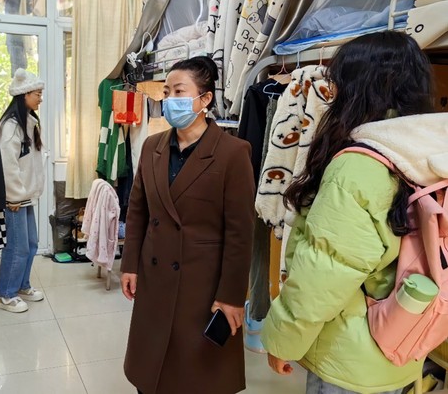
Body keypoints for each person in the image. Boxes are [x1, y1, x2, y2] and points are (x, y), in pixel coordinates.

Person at [261, 31, 448, 393]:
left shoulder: (359, 168)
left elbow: (324, 275)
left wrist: (282, 340)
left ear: (359, 88)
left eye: (339, 83)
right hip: (403, 339)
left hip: (348, 356)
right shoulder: (429, 155)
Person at [120, 56, 256, 394]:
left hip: (202, 286)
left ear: (204, 99)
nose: (170, 100)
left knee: (195, 378)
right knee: (151, 373)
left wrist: (231, 296)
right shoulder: (152, 146)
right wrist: (130, 264)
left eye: (179, 91)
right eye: (166, 92)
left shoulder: (232, 152)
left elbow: (240, 233)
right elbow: (138, 210)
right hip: (155, 278)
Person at [0, 68, 47, 313]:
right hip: (15, 198)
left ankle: (22, 285)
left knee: (32, 243)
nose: (40, 99)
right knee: (17, 247)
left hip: (25, 195)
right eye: (37, 94)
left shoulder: (29, 121)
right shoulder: (10, 126)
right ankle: (5, 294)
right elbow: (8, 165)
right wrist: (14, 196)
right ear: (24, 94)